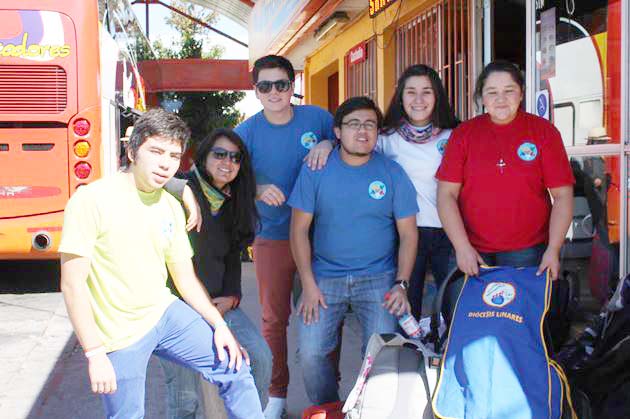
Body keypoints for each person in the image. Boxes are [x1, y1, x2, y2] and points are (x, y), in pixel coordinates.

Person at [58, 109, 263, 419]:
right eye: (156, 151)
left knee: (235, 366)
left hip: (164, 313)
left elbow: (185, 278)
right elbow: (72, 285)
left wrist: (219, 326)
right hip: (118, 333)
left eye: (174, 155)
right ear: (132, 151)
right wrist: (94, 353)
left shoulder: (170, 205)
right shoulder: (91, 200)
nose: (166, 163)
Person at [288, 96, 419, 405]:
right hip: (324, 277)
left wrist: (401, 284)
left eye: (370, 124)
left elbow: (408, 234)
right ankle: (330, 407)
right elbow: (298, 230)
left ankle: (364, 409)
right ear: (337, 131)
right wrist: (308, 284)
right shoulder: (316, 169)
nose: (362, 131)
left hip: (379, 277)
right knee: (310, 354)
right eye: (354, 124)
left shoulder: (392, 172)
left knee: (383, 355)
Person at [234, 54, 336, 418]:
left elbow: (350, 143)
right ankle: (276, 394)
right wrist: (257, 189)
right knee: (274, 321)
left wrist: (329, 144)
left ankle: (327, 397)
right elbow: (226, 178)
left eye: (281, 84)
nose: (274, 92)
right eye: (266, 86)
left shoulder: (318, 119)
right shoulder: (245, 133)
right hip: (272, 237)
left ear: (293, 86)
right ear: (255, 90)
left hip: (320, 237)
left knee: (322, 317)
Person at [160, 128, 273, 418]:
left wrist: (232, 296)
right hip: (175, 307)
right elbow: (150, 177)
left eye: (235, 158)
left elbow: (233, 256)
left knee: (260, 358)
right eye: (220, 154)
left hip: (218, 304)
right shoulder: (183, 188)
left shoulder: (233, 201)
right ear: (204, 156)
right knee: (184, 397)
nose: (228, 162)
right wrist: (184, 192)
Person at [436, 60, 574, 279]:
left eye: (509, 90)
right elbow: (446, 194)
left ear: (521, 93)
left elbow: (563, 195)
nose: (500, 99)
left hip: (528, 252)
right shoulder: (463, 135)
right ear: (482, 98)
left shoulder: (544, 132)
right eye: (492, 92)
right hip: (473, 251)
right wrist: (461, 247)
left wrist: (553, 249)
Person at [379, 64, 459, 319]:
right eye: (411, 92)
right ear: (401, 97)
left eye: (427, 92)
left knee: (454, 307)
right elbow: (351, 153)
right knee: (406, 311)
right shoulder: (385, 138)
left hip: (450, 233)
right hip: (404, 233)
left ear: (437, 96)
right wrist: (326, 145)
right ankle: (410, 347)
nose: (419, 99)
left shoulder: (456, 135)